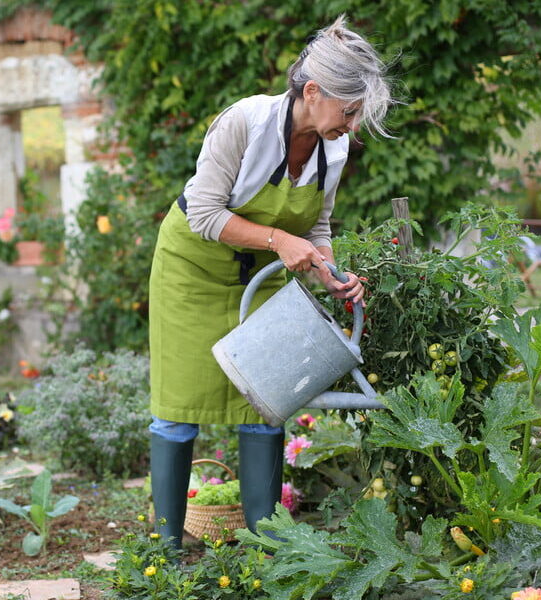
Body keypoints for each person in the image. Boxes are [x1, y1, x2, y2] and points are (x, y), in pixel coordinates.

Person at [148, 15, 392, 548]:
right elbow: (204, 214)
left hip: (259, 278)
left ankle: (266, 546)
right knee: (177, 410)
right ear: (313, 91)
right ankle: (165, 550)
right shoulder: (245, 124)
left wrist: (331, 273)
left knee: (266, 400)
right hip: (192, 272)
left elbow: (318, 224)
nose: (352, 126)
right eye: (349, 111)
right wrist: (281, 241)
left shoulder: (335, 147)